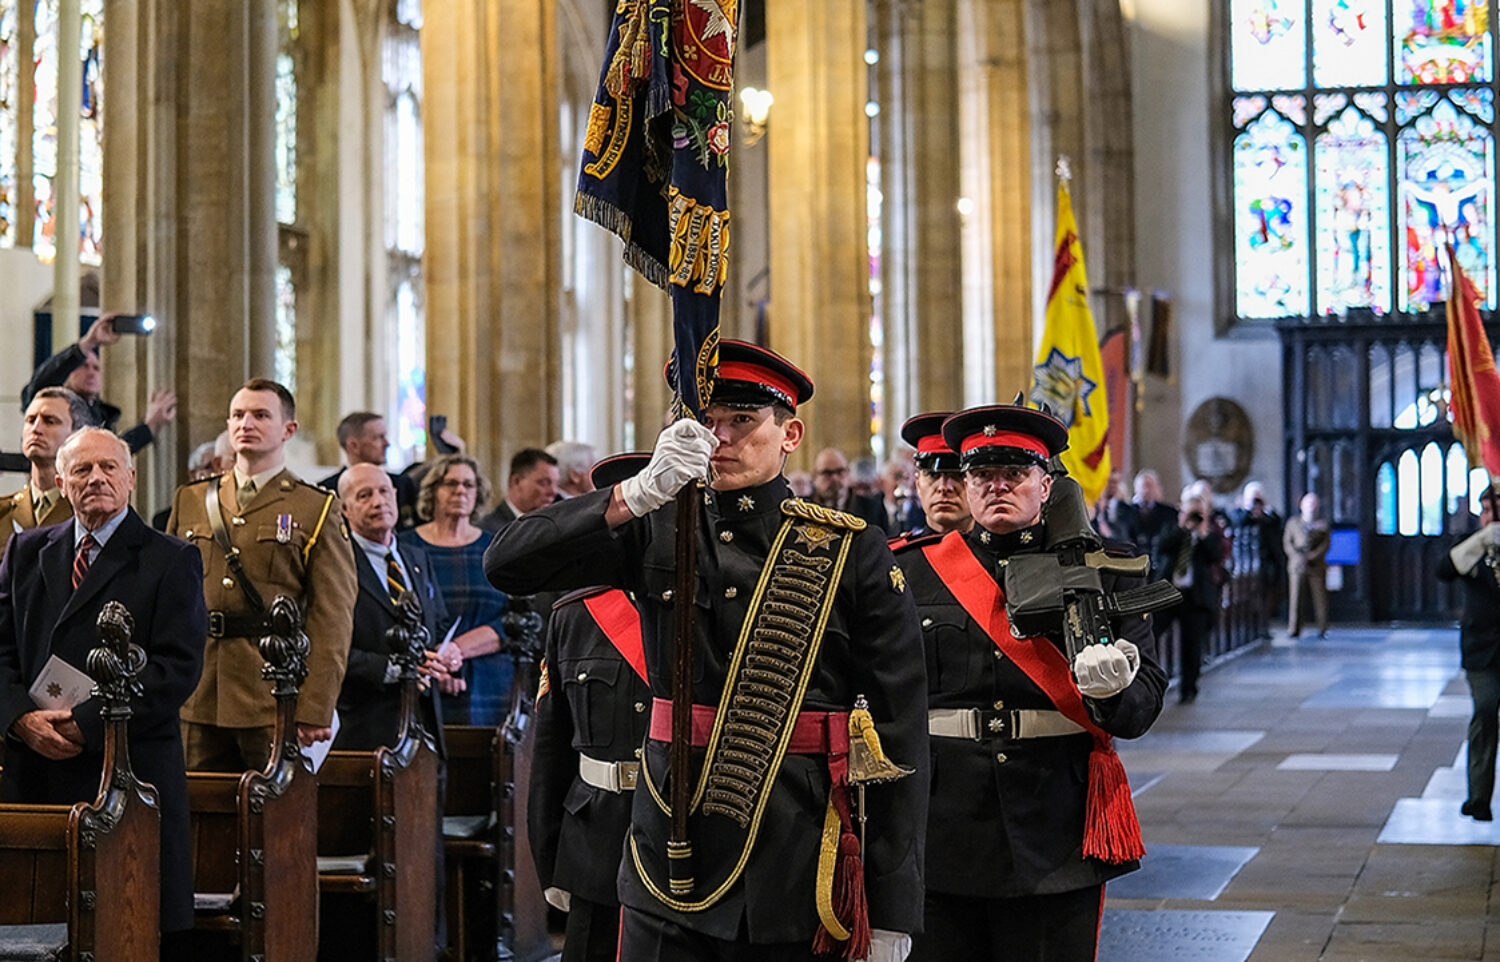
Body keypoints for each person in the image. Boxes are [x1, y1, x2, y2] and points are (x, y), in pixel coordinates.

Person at [487, 340, 928, 962]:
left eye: (742, 420)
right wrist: (635, 493)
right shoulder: (655, 528)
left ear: (790, 434)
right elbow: (507, 563)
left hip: (793, 857)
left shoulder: (848, 551)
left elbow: (900, 731)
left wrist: (890, 906)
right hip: (669, 846)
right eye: (705, 421)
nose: (720, 437)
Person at [891, 402, 1165, 962]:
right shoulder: (910, 570)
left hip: (1054, 826)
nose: (997, 486)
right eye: (981, 475)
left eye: (1014, 473)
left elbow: (1144, 704)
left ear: (1046, 485)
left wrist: (1112, 696)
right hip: (942, 827)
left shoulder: (1109, 569)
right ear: (967, 486)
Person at [0, 428, 207, 953]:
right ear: (61, 483)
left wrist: (87, 723)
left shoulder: (170, 557)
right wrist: (19, 718)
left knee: (129, 924)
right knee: (39, 922)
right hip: (37, 763)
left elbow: (177, 667)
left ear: (131, 478)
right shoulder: (26, 551)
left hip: (128, 766)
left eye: (109, 467)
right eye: (83, 469)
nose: (97, 479)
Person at [167, 378, 358, 771]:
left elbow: (332, 616)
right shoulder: (191, 499)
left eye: (260, 415)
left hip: (272, 694)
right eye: (238, 415)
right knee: (197, 804)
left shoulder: (315, 507)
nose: (246, 424)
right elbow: (169, 598)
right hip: (198, 692)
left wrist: (315, 705)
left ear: (288, 429)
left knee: (275, 805)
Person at [529, 452, 654, 962]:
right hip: (595, 841)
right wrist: (550, 858)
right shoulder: (574, 614)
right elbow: (551, 749)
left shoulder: (711, 606)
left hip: (685, 843)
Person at [333, 463, 456, 752]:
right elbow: (328, 648)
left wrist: (448, 651)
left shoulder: (416, 557)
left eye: (384, 492)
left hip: (424, 722)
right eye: (364, 495)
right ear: (344, 508)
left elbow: (438, 624)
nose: (379, 502)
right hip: (366, 724)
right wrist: (395, 669)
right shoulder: (336, 564)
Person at [400, 453, 513, 725]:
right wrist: (437, 662)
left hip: (488, 683)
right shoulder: (406, 546)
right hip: (422, 678)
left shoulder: (496, 548)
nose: (460, 491)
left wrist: (455, 651)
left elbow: (512, 620)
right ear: (433, 491)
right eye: (450, 484)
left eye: (468, 484)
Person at [21, 315, 177, 454]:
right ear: (68, 373)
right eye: (84, 366)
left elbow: (109, 452)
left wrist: (149, 426)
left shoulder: (101, 414)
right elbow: (39, 386)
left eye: (96, 368)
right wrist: (89, 342)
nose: (91, 373)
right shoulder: (51, 403)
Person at [1437, 481, 1500, 821]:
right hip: (1482, 649)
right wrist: (1482, 540)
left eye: (1494, 510)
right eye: (1485, 510)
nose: (1489, 517)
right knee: (1486, 709)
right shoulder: (1470, 545)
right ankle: (1478, 796)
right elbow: (1444, 570)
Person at [0, 387, 90, 557]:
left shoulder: (89, 512)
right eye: (30, 420)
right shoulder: (3, 512)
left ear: (77, 434)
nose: (36, 429)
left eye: (50, 421)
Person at [1154, 495, 1226, 704]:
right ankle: (1154, 680)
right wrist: (1183, 526)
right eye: (1191, 511)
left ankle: (1189, 688)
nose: (1194, 516)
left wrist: (1201, 532)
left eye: (1198, 512)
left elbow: (1215, 555)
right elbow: (1162, 547)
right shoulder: (1172, 529)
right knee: (1151, 632)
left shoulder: (1210, 535)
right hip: (1169, 593)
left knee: (1192, 644)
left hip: (1195, 596)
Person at [319, 412, 420, 529]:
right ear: (353, 445)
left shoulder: (402, 484)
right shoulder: (326, 491)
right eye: (378, 438)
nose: (387, 444)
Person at [889, 412, 971, 544]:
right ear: (918, 484)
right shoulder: (898, 555)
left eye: (958, 475)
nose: (944, 487)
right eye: (933, 476)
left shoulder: (996, 554)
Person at [1229, 481, 1284, 636]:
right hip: (1243, 563)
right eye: (1253, 499)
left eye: (1259, 499)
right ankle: (1246, 629)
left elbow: (1276, 523)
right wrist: (1249, 509)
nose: (1256, 504)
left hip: (1264, 563)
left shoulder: (1268, 517)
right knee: (1245, 598)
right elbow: (1240, 522)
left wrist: (1264, 511)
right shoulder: (1238, 514)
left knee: (1264, 598)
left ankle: (1263, 627)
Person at [478, 447, 560, 532]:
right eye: (544, 483)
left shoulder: (554, 527)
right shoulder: (489, 531)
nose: (554, 491)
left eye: (557, 484)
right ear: (516, 481)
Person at [810, 446, 890, 532]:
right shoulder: (805, 508)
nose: (835, 478)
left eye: (840, 471)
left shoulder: (873, 508)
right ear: (814, 476)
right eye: (827, 473)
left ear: (848, 472)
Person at [1283, 492, 1330, 638]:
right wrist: (1297, 556)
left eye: (1314, 504)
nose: (1311, 507)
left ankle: (1322, 627)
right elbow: (1287, 542)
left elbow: (1326, 544)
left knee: (1320, 598)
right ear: (1301, 505)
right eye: (1308, 504)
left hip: (1316, 565)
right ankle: (1294, 627)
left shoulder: (1322, 524)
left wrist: (1313, 555)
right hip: (1297, 565)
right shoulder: (1293, 523)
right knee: (1296, 597)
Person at [1123, 469, 1178, 564]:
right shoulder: (1127, 512)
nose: (1147, 491)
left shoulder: (1169, 512)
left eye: (1150, 486)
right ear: (1136, 489)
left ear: (1157, 488)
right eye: (1144, 486)